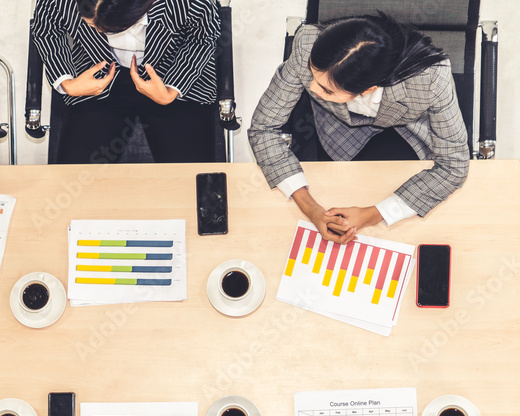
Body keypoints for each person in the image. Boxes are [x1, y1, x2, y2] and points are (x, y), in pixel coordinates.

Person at [249, 13, 470, 245]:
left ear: (368, 89)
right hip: (336, 129)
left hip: (406, 130)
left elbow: (454, 165)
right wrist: (311, 209)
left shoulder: (432, 78)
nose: (311, 88)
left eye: (327, 90)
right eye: (313, 75)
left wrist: (374, 213)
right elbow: (263, 128)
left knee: (406, 232)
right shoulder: (307, 44)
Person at [32, 0, 222, 164]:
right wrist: (67, 83)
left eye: (105, 28)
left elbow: (203, 36)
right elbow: (46, 27)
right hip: (98, 74)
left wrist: (172, 89)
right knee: (75, 176)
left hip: (171, 68)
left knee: (193, 178)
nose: (96, 30)